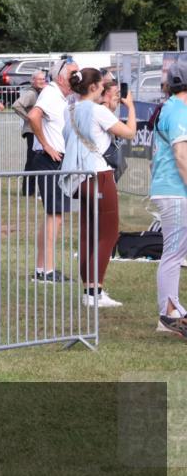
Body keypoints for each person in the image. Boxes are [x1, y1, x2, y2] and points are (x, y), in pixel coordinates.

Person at [59, 67, 136, 308]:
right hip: (99, 175)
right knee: (108, 234)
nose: (105, 87)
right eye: (102, 84)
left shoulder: (70, 109)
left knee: (88, 234)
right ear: (94, 87)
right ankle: (95, 293)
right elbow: (130, 133)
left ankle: (88, 291)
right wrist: (131, 107)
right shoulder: (97, 111)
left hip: (79, 177)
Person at [28, 58, 80, 283]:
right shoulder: (50, 92)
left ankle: (42, 269)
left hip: (54, 160)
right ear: (60, 77)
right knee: (55, 216)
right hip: (49, 160)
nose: (77, 77)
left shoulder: (62, 96)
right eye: (73, 74)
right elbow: (33, 116)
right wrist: (47, 145)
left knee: (53, 215)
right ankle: (47, 271)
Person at [149, 60, 187, 339]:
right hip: (176, 191)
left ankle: (173, 309)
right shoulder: (179, 111)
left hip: (172, 189)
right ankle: (168, 313)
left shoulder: (171, 108)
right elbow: (181, 155)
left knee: (176, 253)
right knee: (173, 254)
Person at [13, 70, 48, 195]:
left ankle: (31, 190)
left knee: (35, 160)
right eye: (39, 79)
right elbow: (17, 105)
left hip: (36, 130)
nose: (42, 81)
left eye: (43, 79)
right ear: (33, 81)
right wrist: (29, 118)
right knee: (32, 160)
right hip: (32, 131)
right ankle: (28, 190)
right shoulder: (31, 93)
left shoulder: (40, 93)